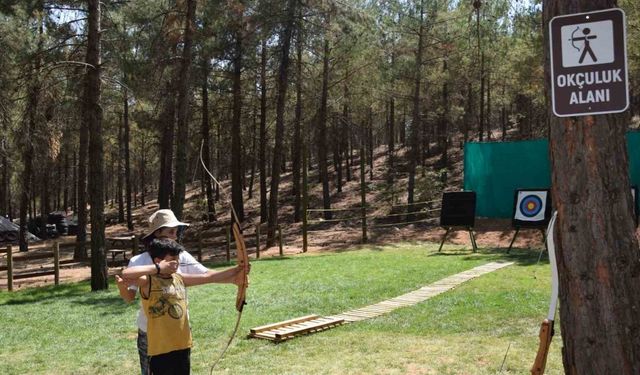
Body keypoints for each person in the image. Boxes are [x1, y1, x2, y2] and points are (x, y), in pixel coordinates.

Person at [116, 209, 239, 375]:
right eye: (170, 232)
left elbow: (206, 275)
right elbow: (129, 295)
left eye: (176, 232)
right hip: (151, 333)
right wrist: (159, 268)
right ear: (157, 233)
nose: (175, 236)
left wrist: (236, 274)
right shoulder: (139, 261)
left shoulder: (180, 256)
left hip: (178, 332)